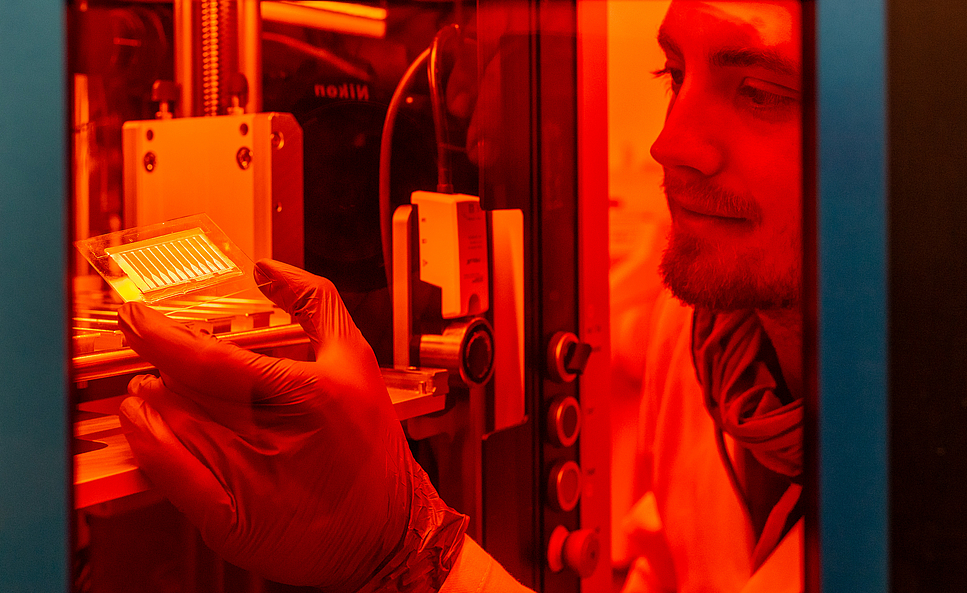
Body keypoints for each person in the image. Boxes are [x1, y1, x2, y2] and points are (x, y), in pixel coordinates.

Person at [114, 1, 804, 591]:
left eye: (759, 92)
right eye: (674, 75)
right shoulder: (700, 334)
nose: (669, 143)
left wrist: (408, 547)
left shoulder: (903, 469)